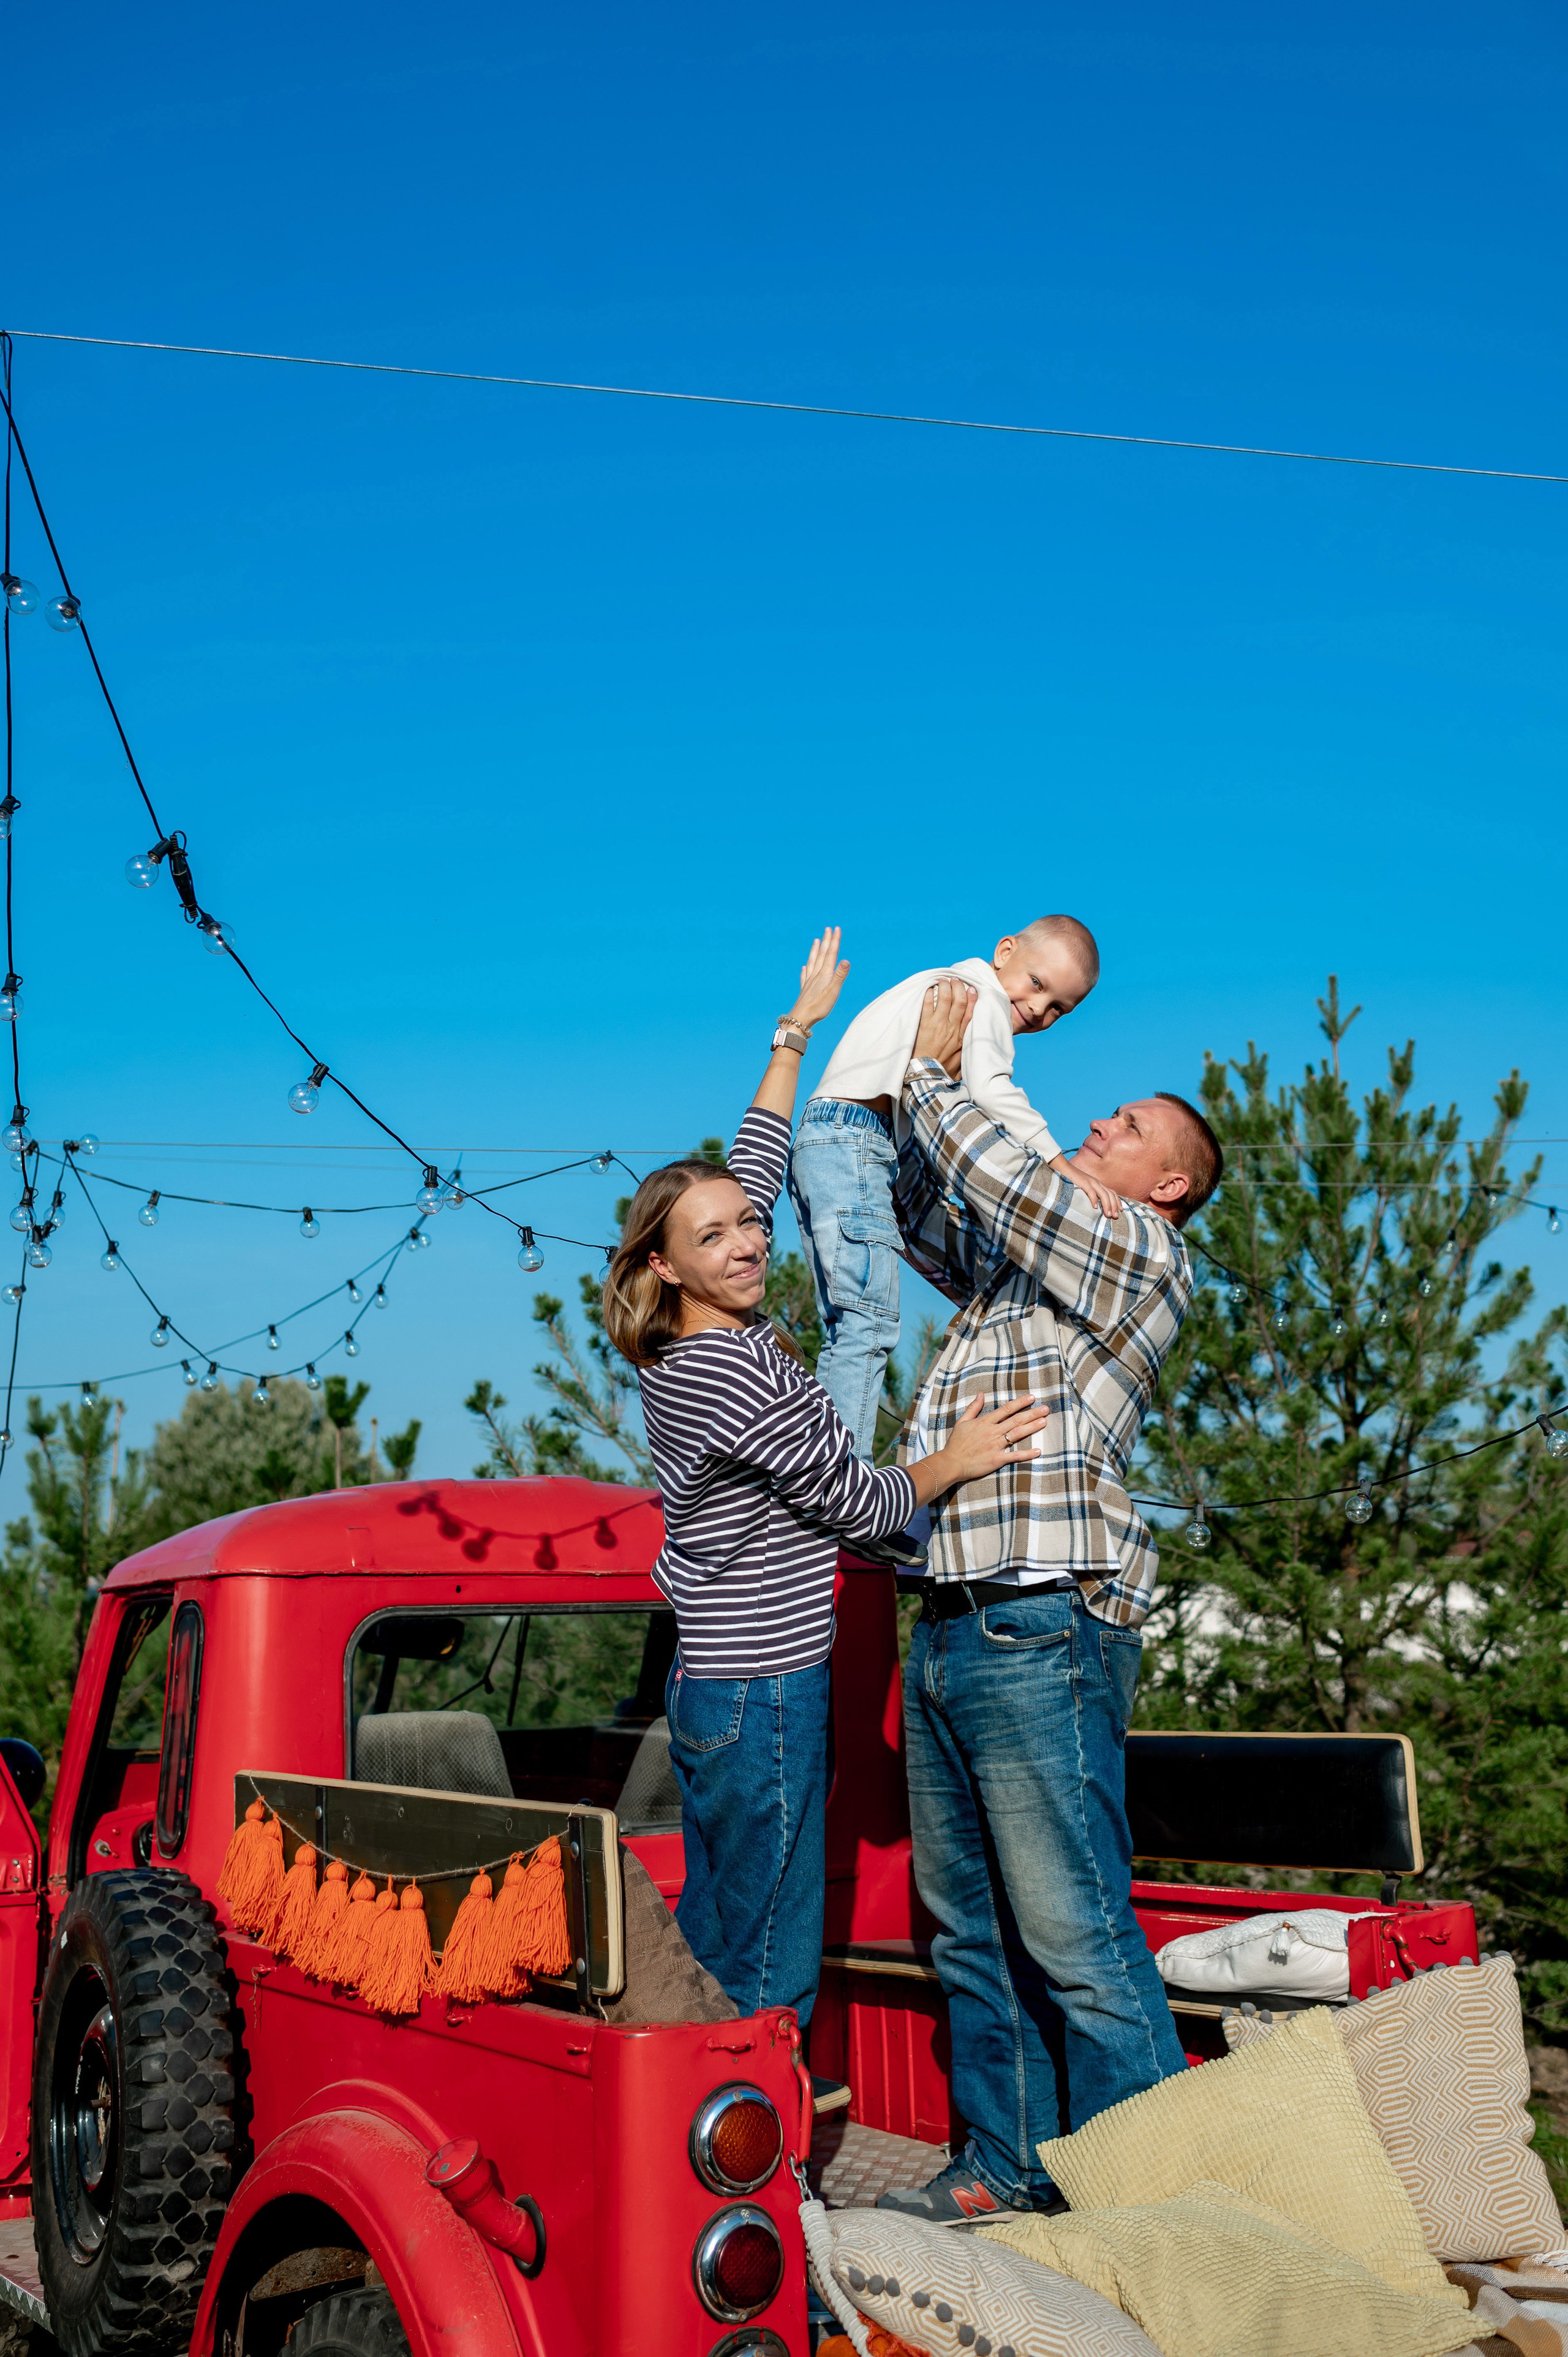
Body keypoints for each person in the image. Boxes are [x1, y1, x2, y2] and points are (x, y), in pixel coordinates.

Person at [601, 935, 1052, 2032]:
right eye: (718, 1237)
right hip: (762, 1691)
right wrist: (960, 1454)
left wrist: (794, 1029)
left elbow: (753, 1160)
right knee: (768, 1955)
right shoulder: (722, 1374)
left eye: (753, 1225)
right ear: (664, 1265)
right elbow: (864, 1505)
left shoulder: (709, 1319)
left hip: (727, 1683)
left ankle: (687, 2125)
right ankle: (755, 2170)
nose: (752, 1241)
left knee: (723, 1921)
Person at [875, 975, 1225, 2222]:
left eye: (1126, 1126)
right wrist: (877, 1100)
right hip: (953, 1619)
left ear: (1167, 1182)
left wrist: (929, 1078)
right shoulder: (1022, 1277)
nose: (1098, 1125)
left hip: (1040, 1620)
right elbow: (937, 1214)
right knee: (965, 1927)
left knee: (1073, 1932)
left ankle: (1154, 2210)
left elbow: (1009, 1184)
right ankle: (1007, 2170)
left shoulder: (1139, 1251)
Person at [787, 918, 1107, 1461]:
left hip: (826, 1136)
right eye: (1036, 983)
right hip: (858, 1139)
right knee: (867, 1323)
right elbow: (992, 1090)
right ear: (1003, 952)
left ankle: (821, 1461)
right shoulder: (976, 995)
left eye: (1058, 1008)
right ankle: (843, 1479)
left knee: (848, 1321)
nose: (1038, 1007)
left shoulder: (941, 985)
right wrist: (1057, 1161)